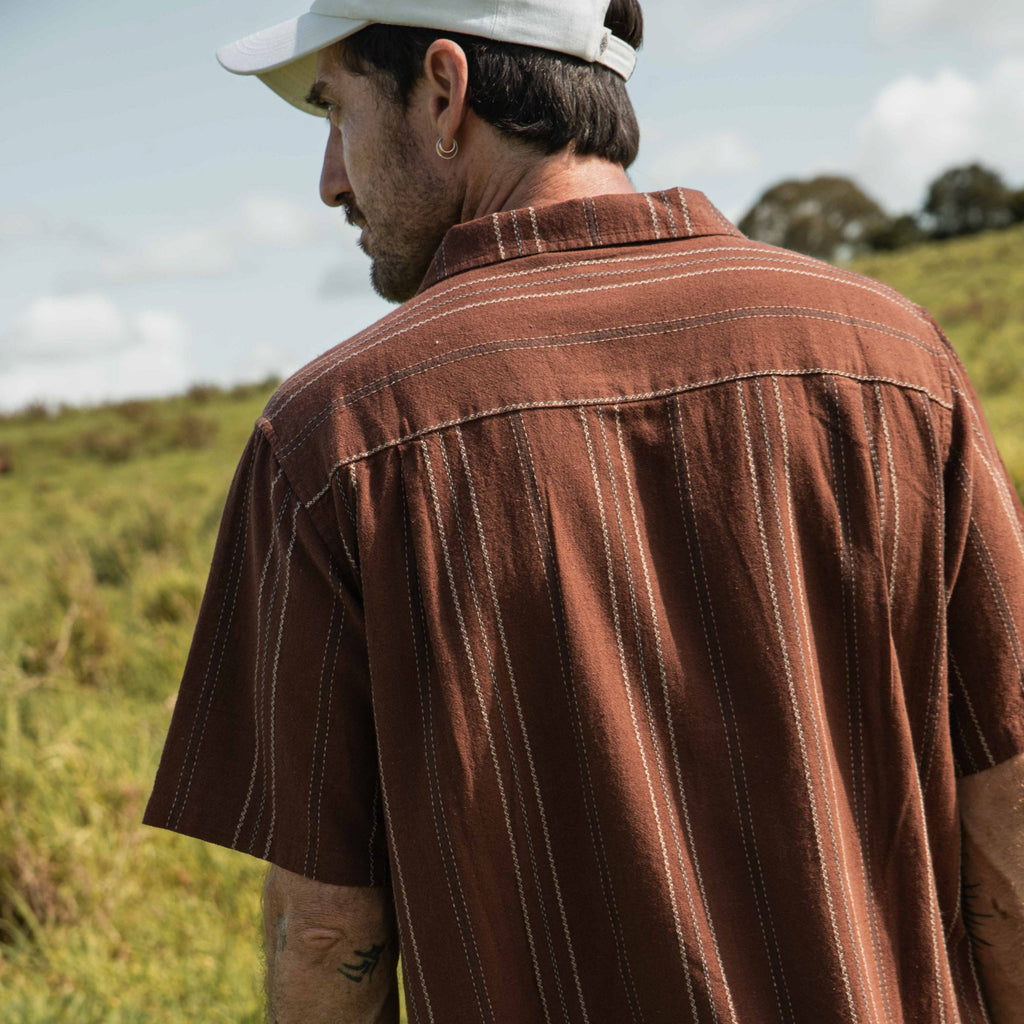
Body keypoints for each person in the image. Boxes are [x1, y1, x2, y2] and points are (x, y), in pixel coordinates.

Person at [144, 2, 1024, 1021]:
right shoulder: (893, 363)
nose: (330, 179)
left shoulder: (333, 440)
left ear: (442, 89)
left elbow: (331, 931)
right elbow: (1005, 833)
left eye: (335, 110)